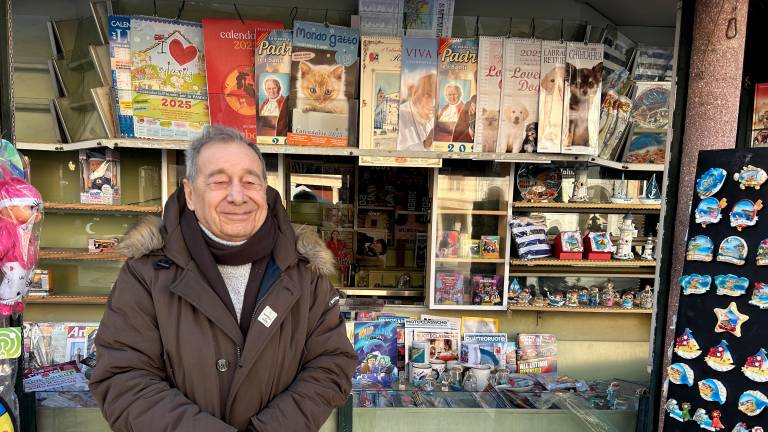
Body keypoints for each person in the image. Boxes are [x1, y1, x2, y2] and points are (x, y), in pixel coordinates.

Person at [89, 126, 356, 432]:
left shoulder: (305, 273)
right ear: (190, 194)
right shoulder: (147, 274)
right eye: (219, 182)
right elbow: (124, 379)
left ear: (265, 190)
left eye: (250, 182)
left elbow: (331, 364)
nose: (237, 196)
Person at [397, 73, 436, 151]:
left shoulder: (435, 116)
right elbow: (393, 155)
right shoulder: (399, 115)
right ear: (414, 92)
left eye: (436, 97)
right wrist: (425, 145)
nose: (433, 103)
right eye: (428, 95)